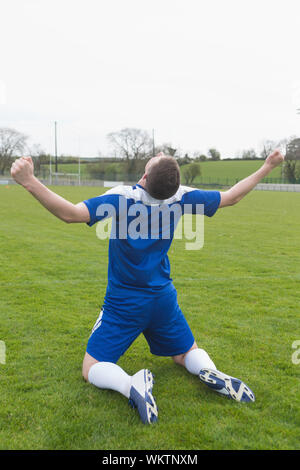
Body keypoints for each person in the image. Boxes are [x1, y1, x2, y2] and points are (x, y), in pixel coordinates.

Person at [11, 149, 284, 424]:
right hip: (163, 299)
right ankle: (208, 370)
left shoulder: (123, 197)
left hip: (124, 302)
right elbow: (232, 196)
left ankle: (132, 385)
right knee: (185, 353)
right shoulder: (181, 196)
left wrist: (29, 181)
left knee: (91, 368)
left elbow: (71, 214)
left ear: (143, 177)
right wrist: (267, 166)